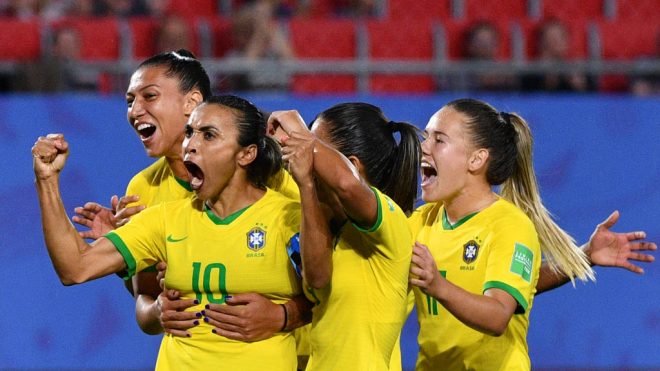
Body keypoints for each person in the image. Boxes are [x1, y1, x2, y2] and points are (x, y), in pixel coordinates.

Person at [32, 95, 303, 370]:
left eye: (208, 135)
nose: (190, 146)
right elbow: (75, 267)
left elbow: (336, 295)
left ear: (247, 153)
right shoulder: (165, 219)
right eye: (189, 133)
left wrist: (284, 315)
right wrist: (47, 180)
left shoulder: (289, 217)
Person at [71, 50, 308, 342]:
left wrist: (281, 316)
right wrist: (134, 270)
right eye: (130, 101)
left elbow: (325, 274)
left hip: (290, 353)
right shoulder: (142, 189)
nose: (135, 111)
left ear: (192, 102)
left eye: (150, 96)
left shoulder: (265, 171)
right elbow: (145, 302)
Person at [408, 98, 601, 369]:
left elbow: (498, 315)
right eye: (426, 137)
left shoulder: (510, 225)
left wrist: (437, 286)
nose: (423, 147)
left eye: (438, 140)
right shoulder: (421, 222)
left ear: (476, 159)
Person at [267, 102, 421, 370]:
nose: (305, 155)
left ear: (352, 165)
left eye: (316, 148)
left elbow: (347, 185)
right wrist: (305, 185)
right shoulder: (324, 223)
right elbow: (317, 278)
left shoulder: (392, 223)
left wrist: (301, 134)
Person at [520, 19, 595, 92]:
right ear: (541, 43)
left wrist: (580, 84)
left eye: (560, 38)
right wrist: (546, 79)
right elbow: (524, 94)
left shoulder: (578, 69)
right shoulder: (531, 70)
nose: (555, 44)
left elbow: (594, 95)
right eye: (551, 39)